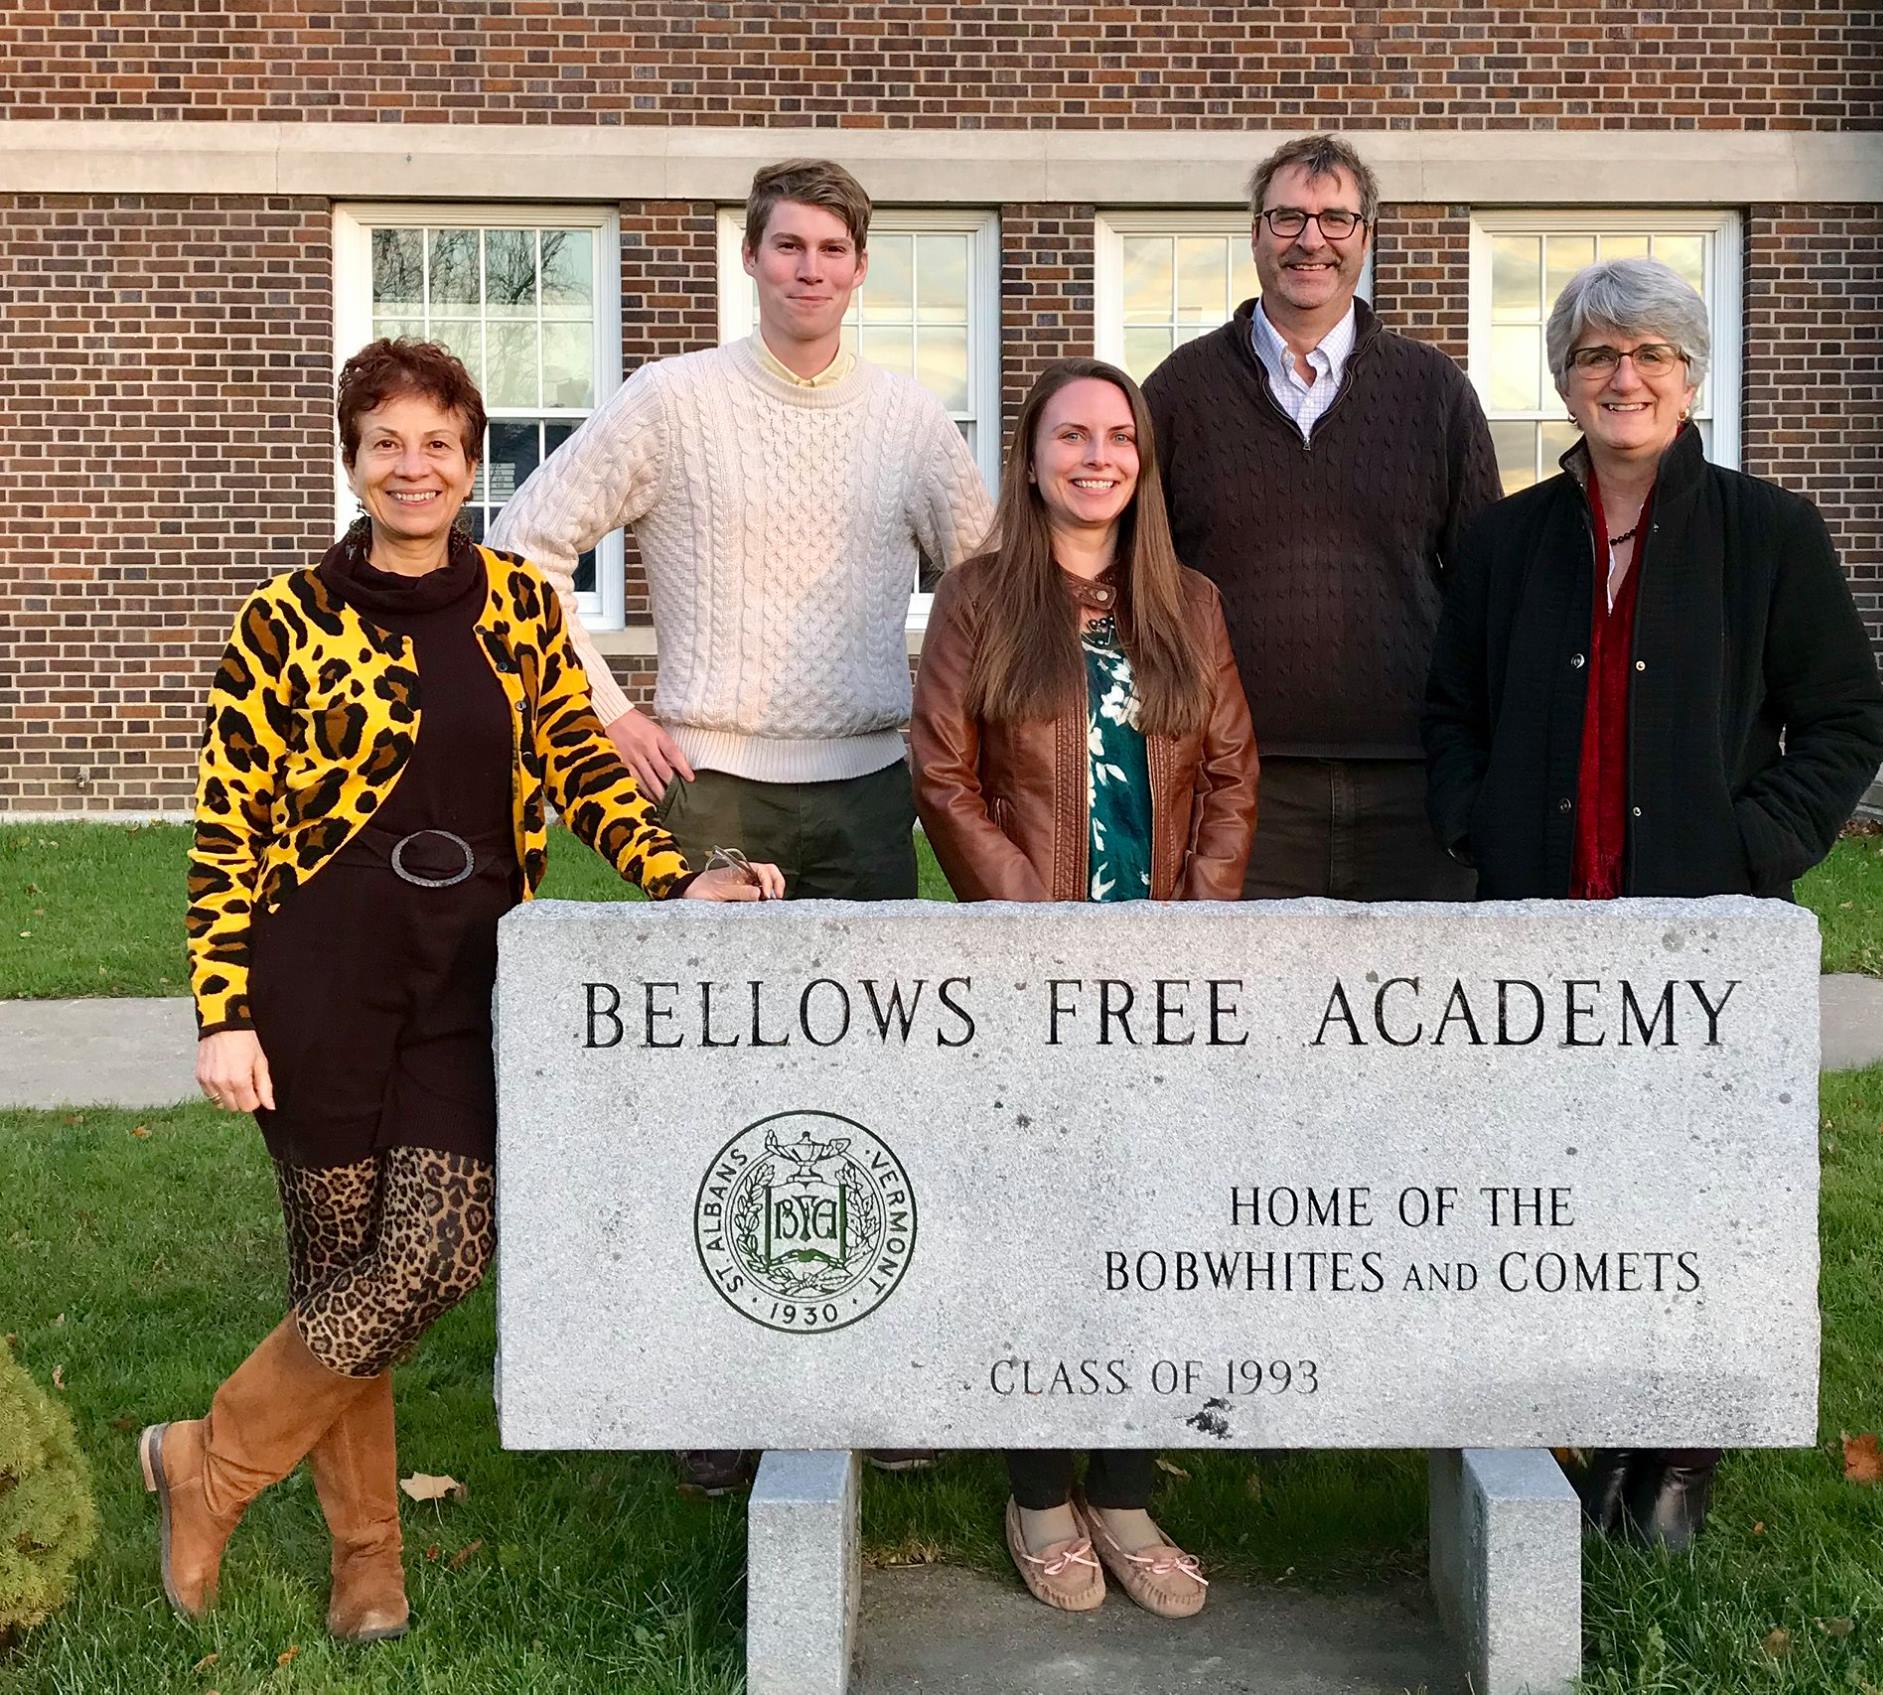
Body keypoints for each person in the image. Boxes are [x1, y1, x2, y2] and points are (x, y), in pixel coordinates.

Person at [153, 338, 781, 1642]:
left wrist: (675, 878)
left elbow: (582, 765)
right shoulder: (282, 621)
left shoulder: (516, 604)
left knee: (432, 1252)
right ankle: (366, 1559)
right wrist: (224, 1008)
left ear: (471, 457)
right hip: (317, 971)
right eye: (387, 439)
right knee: (341, 1268)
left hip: (469, 976)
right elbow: (227, 828)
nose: (414, 463)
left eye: (439, 440)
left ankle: (205, 1461)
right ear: (354, 457)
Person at [491, 159, 990, 1490]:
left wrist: (960, 738)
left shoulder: (906, 419)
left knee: (878, 1090)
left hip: (875, 794)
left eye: (834, 247)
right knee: (717, 1093)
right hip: (710, 785)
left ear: (861, 268)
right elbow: (527, 546)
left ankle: (879, 1372)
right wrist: (601, 712)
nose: (811, 267)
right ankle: (719, 1383)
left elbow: (992, 581)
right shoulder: (674, 399)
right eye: (788, 245)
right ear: (753, 260)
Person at [1421, 258, 1883, 1547]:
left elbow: (1842, 720)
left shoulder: (1767, 532)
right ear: (1564, 380)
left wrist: (1753, 846)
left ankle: (1671, 1452)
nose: (1621, 380)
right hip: (1538, 924)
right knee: (1558, 1192)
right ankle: (1573, 1425)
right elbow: (1449, 710)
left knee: (1683, 1193)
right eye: (1594, 357)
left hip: (1697, 934)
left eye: (1649, 357)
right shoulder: (1510, 537)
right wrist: (1476, 818)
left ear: (1690, 377)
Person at [910, 358, 1257, 1615]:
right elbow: (942, 776)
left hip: (1158, 972)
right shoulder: (980, 599)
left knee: (1145, 1223)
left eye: (1117, 438)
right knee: (1040, 1222)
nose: (1095, 457)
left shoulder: (1189, 603)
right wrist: (1030, 924)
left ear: (1142, 462)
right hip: (1026, 972)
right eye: (1072, 436)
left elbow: (1226, 772)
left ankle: (1121, 1488)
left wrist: (1190, 933)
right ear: (1033, 455)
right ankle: (1038, 1486)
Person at [1142, 133, 1500, 903]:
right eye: (1288, 218)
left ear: (1365, 238)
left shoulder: (1435, 393)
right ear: (1255, 235)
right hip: (1238, 785)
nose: (1312, 240)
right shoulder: (1178, 393)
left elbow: (1485, 591)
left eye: (1337, 219)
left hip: (1414, 784)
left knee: (1422, 1016)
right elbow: (1140, 576)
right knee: (1250, 1015)